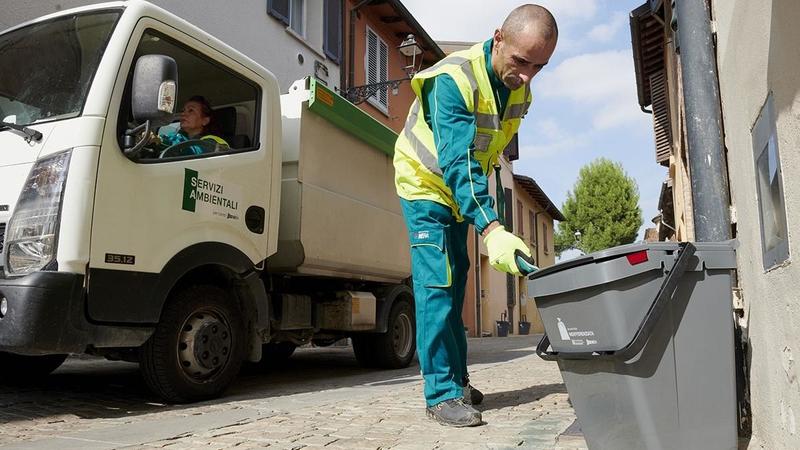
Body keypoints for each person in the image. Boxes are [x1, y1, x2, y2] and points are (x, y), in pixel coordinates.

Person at [393, 4, 558, 427]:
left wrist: (492, 217)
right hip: (425, 185)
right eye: (521, 61)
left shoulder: (519, 91)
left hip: (459, 195)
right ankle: (440, 394)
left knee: (457, 283)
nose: (527, 76)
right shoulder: (453, 80)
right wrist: (492, 226)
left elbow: (488, 159)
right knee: (437, 285)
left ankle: (458, 382)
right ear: (498, 38)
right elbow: (459, 161)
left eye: (539, 67)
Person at [155, 95, 229, 157]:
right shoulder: (175, 136)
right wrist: (154, 140)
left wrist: (161, 141)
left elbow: (194, 151)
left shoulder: (213, 142)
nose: (183, 114)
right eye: (183, 111)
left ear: (205, 121)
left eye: (191, 110)